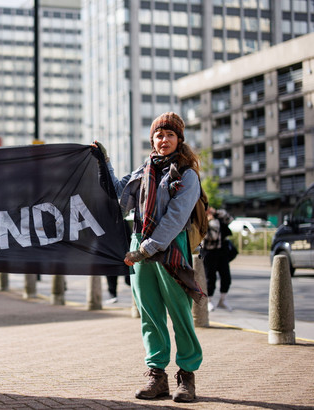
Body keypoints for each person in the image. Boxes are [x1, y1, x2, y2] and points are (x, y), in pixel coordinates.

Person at [93, 112, 206, 403]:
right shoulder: (144, 171)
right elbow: (119, 196)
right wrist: (103, 163)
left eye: (170, 135)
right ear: (152, 140)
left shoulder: (187, 174)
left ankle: (187, 377)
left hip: (169, 248)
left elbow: (175, 217)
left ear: (179, 139)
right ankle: (157, 376)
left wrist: (146, 249)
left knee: (180, 315)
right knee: (150, 315)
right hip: (140, 244)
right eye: (159, 135)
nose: (164, 139)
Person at [201, 207, 234, 312]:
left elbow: (230, 219)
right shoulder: (202, 220)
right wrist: (211, 220)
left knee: (226, 276)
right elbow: (212, 236)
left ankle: (222, 300)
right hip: (209, 252)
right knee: (210, 278)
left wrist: (216, 213)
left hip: (222, 251)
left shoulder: (217, 217)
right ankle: (209, 301)